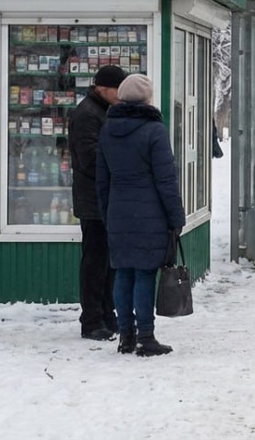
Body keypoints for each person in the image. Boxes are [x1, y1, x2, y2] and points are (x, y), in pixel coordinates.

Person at [96, 74, 186, 357]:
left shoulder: (107, 129)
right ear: (147, 99)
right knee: (145, 274)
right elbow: (166, 180)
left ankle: (126, 336)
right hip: (151, 213)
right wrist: (176, 217)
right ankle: (146, 337)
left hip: (118, 212)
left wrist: (107, 212)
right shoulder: (154, 130)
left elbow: (102, 179)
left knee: (123, 273)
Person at [68, 64, 125, 341]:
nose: (122, 94)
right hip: (94, 200)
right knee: (95, 261)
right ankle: (91, 319)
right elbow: (90, 159)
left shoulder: (103, 110)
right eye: (119, 89)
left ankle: (106, 313)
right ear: (102, 88)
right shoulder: (87, 115)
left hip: (107, 197)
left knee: (108, 261)